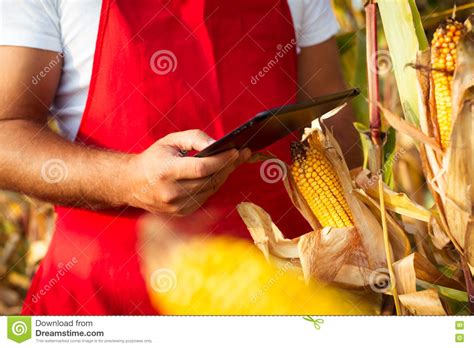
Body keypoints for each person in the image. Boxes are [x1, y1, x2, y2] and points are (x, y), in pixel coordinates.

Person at [0, 0, 361, 314]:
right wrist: (128, 179)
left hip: (284, 292)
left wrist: (369, 221)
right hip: (113, 301)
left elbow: (333, 116)